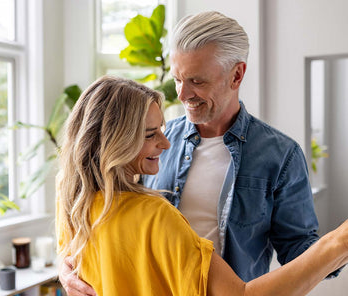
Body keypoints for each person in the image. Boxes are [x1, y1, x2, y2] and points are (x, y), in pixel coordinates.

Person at [59, 11, 331, 295]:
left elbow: (298, 250)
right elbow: (111, 215)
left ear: (236, 74)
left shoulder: (281, 156)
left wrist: (336, 248)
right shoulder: (149, 143)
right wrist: (66, 264)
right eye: (177, 79)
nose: (182, 94)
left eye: (196, 81)